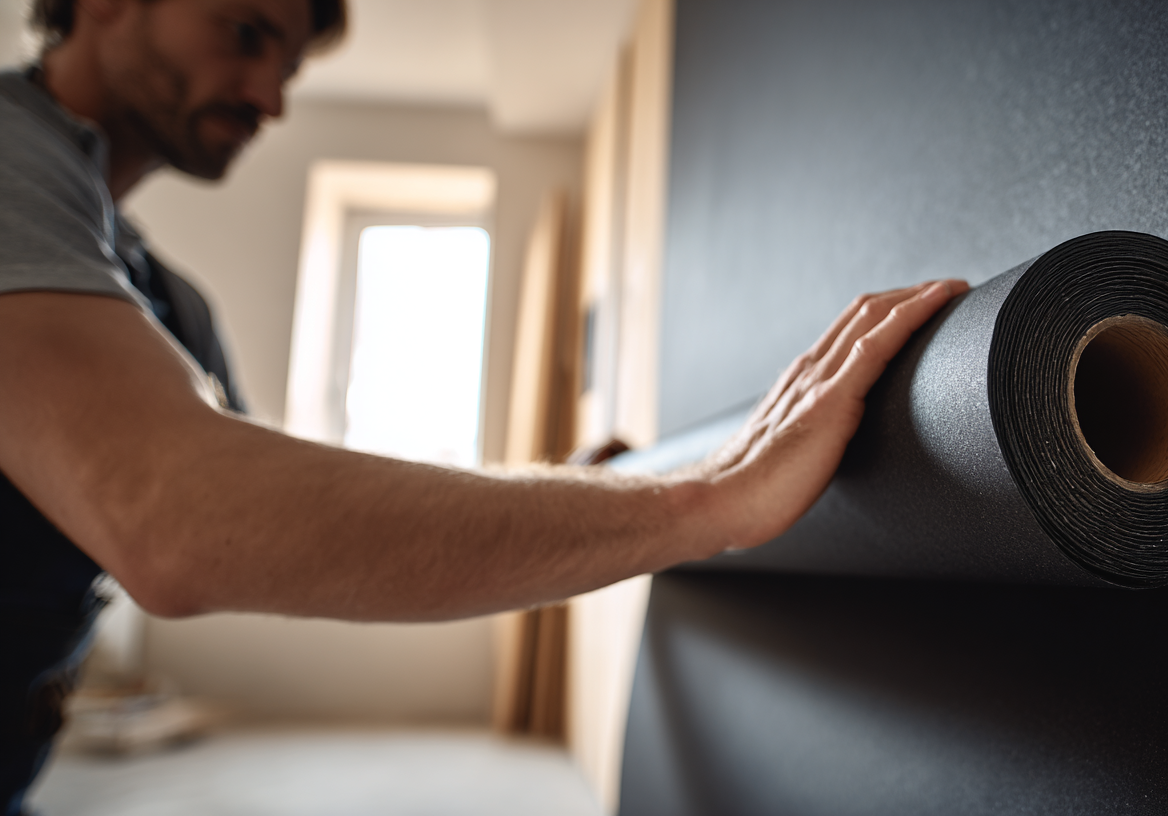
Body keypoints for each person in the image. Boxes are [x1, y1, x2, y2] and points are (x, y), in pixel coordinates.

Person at [0, 0, 967, 810]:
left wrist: (584, 497)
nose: (271, 98)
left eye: (288, 67)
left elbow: (285, 515)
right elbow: (191, 521)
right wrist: (707, 501)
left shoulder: (160, 300)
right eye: (246, 33)